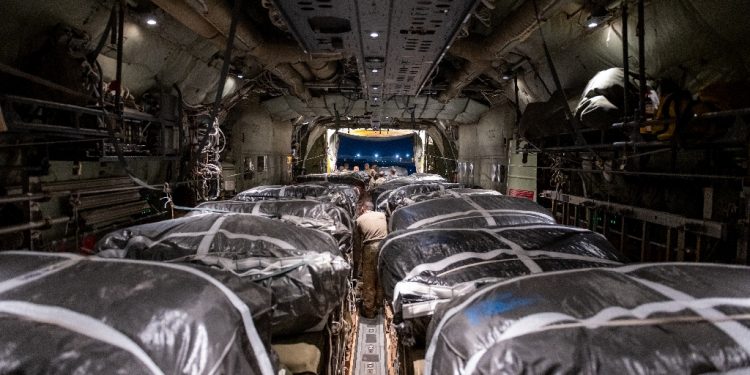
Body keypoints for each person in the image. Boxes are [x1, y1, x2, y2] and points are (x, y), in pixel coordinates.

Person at [355, 201, 387, 318]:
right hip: (384, 247)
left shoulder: (359, 220)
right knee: (380, 277)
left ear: (363, 208)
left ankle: (369, 310)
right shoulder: (382, 216)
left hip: (370, 248)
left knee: (369, 279)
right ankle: (379, 304)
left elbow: (357, 243)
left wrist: (356, 261)